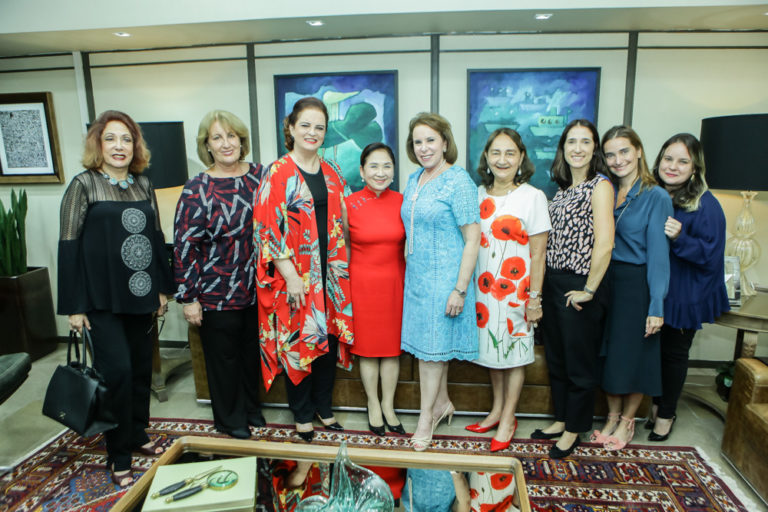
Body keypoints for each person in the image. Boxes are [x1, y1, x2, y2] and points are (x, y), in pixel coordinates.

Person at [57, 110, 173, 487]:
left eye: (126, 139)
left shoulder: (143, 184)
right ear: (98, 144)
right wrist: (74, 305)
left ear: (135, 146)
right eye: (111, 138)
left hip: (141, 296)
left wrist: (162, 288)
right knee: (117, 374)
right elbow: (69, 245)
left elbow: (157, 240)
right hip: (100, 301)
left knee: (140, 372)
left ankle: (138, 434)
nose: (119, 146)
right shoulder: (83, 185)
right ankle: (118, 454)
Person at [254, 97, 354, 443]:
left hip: (331, 275)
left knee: (325, 339)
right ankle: (301, 413)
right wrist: (292, 277)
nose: (313, 132)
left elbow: (346, 218)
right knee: (299, 342)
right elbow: (267, 229)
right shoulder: (278, 172)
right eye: (306, 125)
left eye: (319, 127)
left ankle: (324, 408)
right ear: (292, 128)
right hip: (296, 277)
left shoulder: (332, 171)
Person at [173, 110, 266, 439]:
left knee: (250, 355)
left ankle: (252, 410)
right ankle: (229, 419)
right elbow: (184, 245)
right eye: (217, 137)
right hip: (215, 290)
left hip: (258, 288)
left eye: (232, 136)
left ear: (242, 141)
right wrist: (188, 297)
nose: (226, 143)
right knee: (223, 359)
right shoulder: (197, 187)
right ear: (207, 146)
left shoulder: (260, 176)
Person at [532, 119, 614, 459]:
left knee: (579, 361)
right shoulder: (563, 189)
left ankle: (575, 429)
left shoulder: (601, 186)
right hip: (554, 281)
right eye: (571, 142)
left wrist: (589, 289)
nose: (577, 148)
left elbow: (605, 243)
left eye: (585, 141)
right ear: (563, 148)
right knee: (559, 358)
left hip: (580, 284)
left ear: (594, 148)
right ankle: (562, 418)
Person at [400, 112, 481, 451]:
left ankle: (425, 420)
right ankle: (442, 402)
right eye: (418, 142)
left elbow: (473, 238)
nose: (424, 147)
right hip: (417, 278)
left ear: (445, 142)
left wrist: (460, 289)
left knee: (431, 354)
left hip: (446, 278)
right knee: (430, 349)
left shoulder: (458, 181)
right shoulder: (414, 178)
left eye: (431, 140)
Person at [468, 128, 550, 452]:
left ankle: (508, 418)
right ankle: (496, 410)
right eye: (496, 153)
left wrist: (534, 300)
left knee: (514, 357)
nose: (502, 160)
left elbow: (538, 255)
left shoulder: (533, 197)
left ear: (521, 158)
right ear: (486, 157)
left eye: (510, 153)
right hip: (484, 290)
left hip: (517, 291)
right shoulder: (477, 194)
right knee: (493, 353)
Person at [593, 125, 673, 451]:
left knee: (636, 356)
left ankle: (628, 422)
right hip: (606, 280)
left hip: (637, 283)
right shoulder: (607, 189)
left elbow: (658, 255)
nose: (618, 159)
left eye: (624, 151)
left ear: (639, 151)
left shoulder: (656, 196)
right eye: (610, 154)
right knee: (609, 354)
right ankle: (611, 416)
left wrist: (656, 304)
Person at [647, 133, 729, 441]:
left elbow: (711, 255)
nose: (673, 166)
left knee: (673, 354)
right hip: (659, 286)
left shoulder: (706, 205)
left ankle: (666, 414)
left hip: (685, 292)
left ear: (695, 168)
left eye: (683, 161)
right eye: (668, 158)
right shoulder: (654, 193)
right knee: (653, 353)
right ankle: (655, 405)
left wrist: (681, 237)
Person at [344, 142, 406, 436]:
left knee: (391, 351)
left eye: (386, 166)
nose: (380, 173)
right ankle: (373, 404)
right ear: (362, 170)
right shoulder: (348, 203)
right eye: (374, 166)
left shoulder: (404, 202)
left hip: (395, 283)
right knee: (368, 351)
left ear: (394, 171)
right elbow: (341, 247)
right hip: (361, 284)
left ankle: (389, 405)